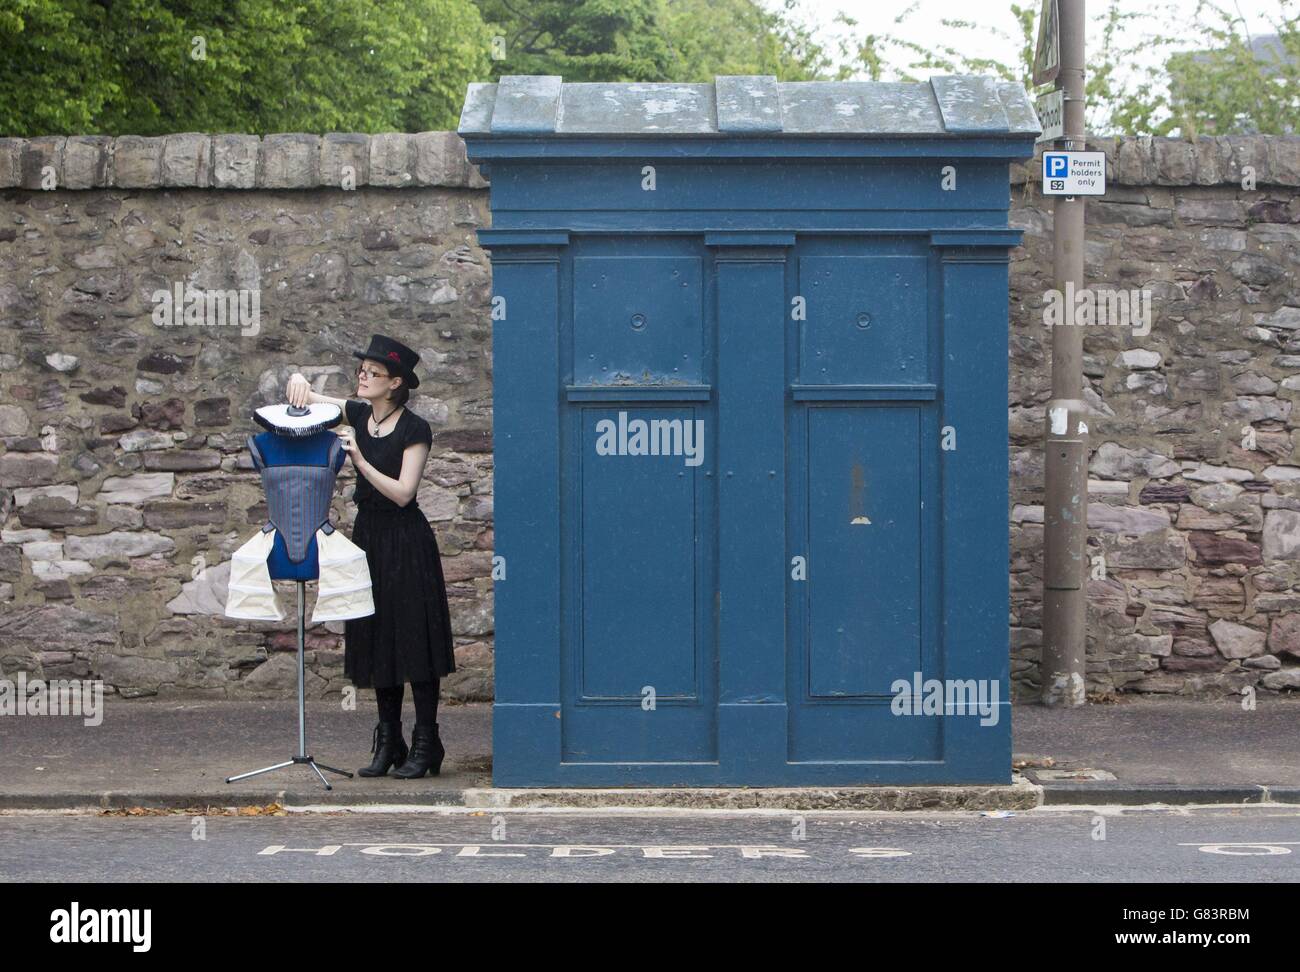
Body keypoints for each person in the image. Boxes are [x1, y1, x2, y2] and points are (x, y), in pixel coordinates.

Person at [285, 334, 456, 778]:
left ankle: (426, 741)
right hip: (369, 538)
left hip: (406, 539)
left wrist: (359, 458)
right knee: (377, 634)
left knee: (414, 636)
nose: (363, 377)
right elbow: (318, 401)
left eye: (373, 373)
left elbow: (403, 493)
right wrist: (300, 380)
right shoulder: (360, 412)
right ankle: (389, 739)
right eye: (361, 370)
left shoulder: (414, 428)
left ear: (395, 383)